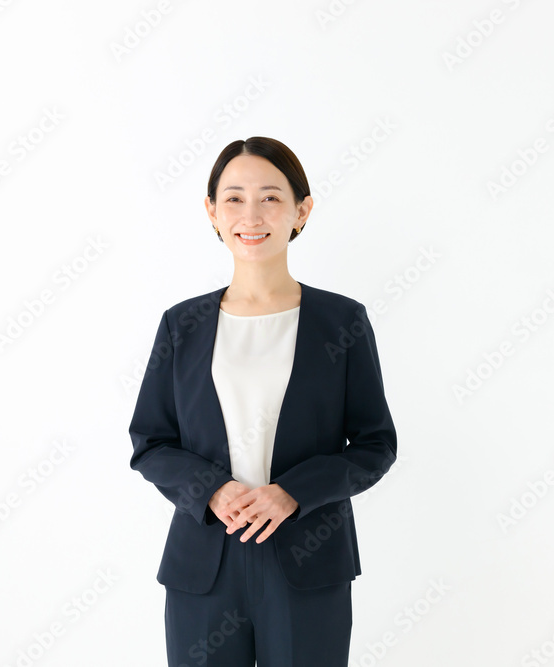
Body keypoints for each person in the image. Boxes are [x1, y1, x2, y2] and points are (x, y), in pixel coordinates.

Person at [129, 136, 397, 667]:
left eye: (271, 197)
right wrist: (211, 489)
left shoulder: (341, 321)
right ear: (212, 211)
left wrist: (293, 493)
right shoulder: (182, 325)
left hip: (307, 559)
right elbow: (151, 443)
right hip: (204, 564)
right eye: (234, 198)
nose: (251, 215)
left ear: (302, 210)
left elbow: (375, 444)